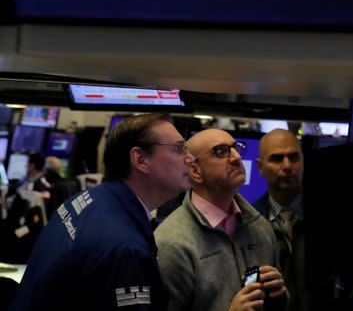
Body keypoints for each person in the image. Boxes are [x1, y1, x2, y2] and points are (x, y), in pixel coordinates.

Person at [10, 114, 194, 311]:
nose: (190, 157)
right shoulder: (127, 248)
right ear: (141, 159)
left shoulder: (87, 200)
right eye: (179, 148)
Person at [155, 128, 288, 311]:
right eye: (221, 151)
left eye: (236, 148)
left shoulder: (261, 227)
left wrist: (279, 297)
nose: (236, 157)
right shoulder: (170, 243)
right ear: (195, 171)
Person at [253, 129, 308, 311]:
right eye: (277, 159)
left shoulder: (333, 218)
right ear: (260, 167)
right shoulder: (247, 223)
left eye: (294, 157)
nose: (287, 165)